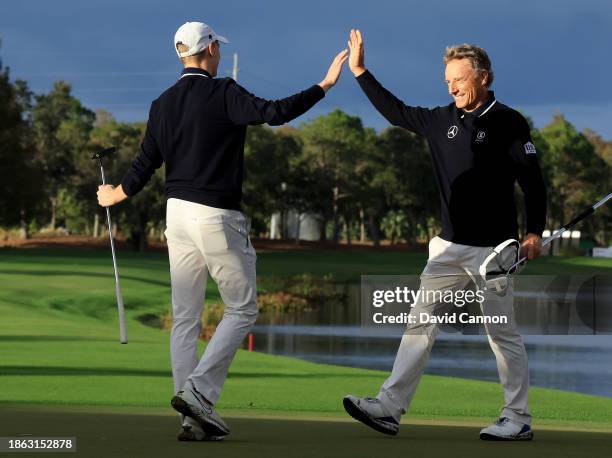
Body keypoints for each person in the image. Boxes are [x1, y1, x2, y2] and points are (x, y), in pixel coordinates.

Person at [97, 21, 348, 441]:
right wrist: (323, 84)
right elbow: (274, 113)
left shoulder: (163, 103)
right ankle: (198, 393)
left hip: (175, 215)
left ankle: (190, 418)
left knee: (185, 319)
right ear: (210, 50)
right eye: (216, 46)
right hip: (216, 215)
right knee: (243, 308)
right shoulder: (224, 91)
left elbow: (144, 163)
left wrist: (116, 194)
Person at [342, 29, 546, 441]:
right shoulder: (440, 121)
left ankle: (518, 417)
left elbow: (533, 181)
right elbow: (395, 111)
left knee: (500, 332)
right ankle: (389, 407)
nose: (452, 86)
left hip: (496, 251)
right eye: (447, 80)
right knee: (419, 324)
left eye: (459, 78)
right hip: (449, 248)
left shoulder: (509, 122)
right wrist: (361, 71)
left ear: (484, 77)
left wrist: (534, 232)